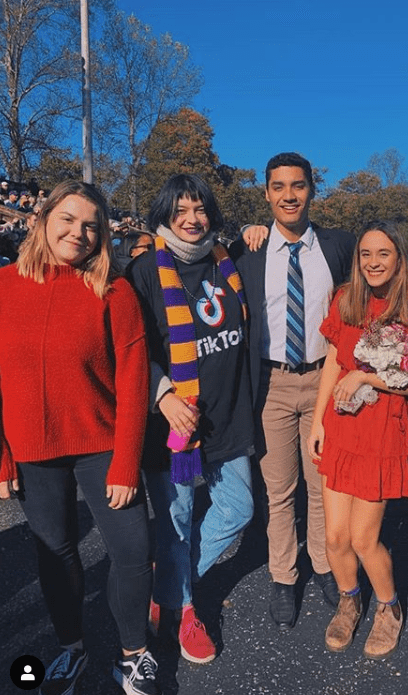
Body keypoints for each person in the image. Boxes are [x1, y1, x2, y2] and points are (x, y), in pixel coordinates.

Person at [0, 180, 160, 695]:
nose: (80, 232)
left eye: (91, 225)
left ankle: (133, 653)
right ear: (42, 219)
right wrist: (1, 459)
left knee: (133, 550)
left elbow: (135, 380)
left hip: (103, 445)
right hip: (31, 449)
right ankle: (71, 647)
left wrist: (126, 460)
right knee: (56, 551)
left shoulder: (113, 290)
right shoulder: (4, 286)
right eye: (68, 219)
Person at [127, 173, 254, 665]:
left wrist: (257, 231)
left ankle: (171, 583)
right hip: (173, 423)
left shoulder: (228, 263)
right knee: (175, 524)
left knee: (239, 509)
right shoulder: (142, 273)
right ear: (164, 215)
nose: (192, 219)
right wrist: (162, 396)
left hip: (227, 414)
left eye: (200, 209)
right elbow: (132, 350)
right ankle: (184, 610)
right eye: (180, 210)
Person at [231, 152, 356, 630]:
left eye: (298, 186)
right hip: (273, 384)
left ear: (311, 191)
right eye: (279, 187)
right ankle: (284, 576)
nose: (289, 195)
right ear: (266, 193)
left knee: (323, 486)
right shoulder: (247, 254)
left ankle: (325, 566)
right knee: (279, 490)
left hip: (326, 378)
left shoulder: (339, 246)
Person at [307, 221, 408, 659]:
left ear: (399, 258)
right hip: (341, 426)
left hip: (383, 430)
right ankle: (350, 600)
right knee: (334, 539)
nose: (374, 262)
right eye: (366, 254)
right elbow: (332, 362)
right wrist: (319, 422)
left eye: (383, 254)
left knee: (365, 539)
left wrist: (368, 376)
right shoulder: (346, 299)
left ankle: (388, 607)